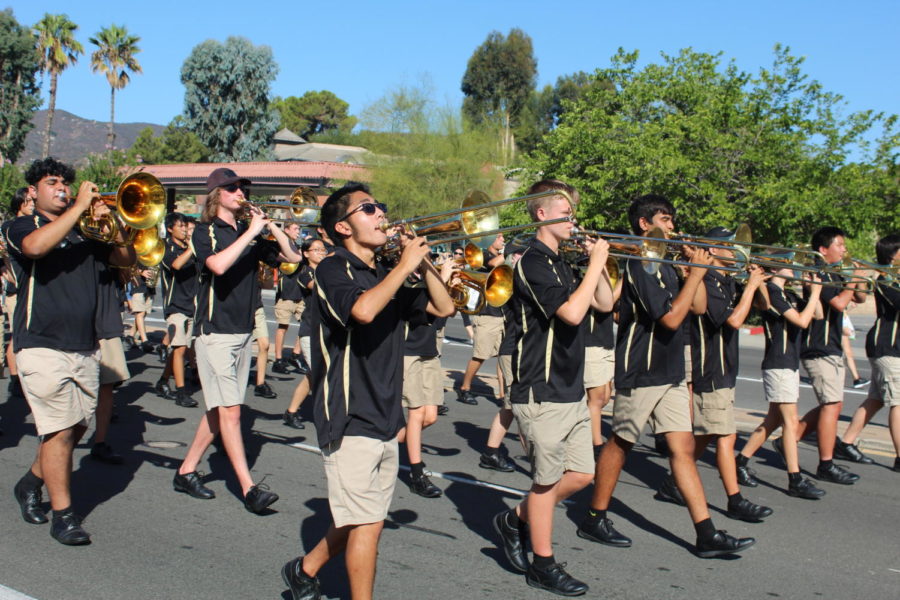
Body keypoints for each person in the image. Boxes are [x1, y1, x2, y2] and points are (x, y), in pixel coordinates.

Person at [281, 182, 453, 600]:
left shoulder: (383, 273)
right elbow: (362, 310)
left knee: (361, 517)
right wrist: (402, 267)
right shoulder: (332, 268)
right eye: (369, 209)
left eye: (381, 207)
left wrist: (424, 262)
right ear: (342, 226)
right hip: (348, 411)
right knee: (368, 525)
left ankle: (304, 570)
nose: (381, 215)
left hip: (385, 412)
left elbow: (444, 308)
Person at [579, 194, 755, 559]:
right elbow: (671, 318)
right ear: (645, 224)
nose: (673, 226)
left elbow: (700, 307)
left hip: (671, 367)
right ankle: (595, 516)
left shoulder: (668, 264)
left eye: (673, 219)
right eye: (666, 219)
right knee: (621, 443)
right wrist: (696, 275)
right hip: (642, 367)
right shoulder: (640, 263)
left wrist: (694, 272)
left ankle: (705, 533)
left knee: (683, 450)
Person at [493, 179, 612, 596]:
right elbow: (572, 314)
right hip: (540, 387)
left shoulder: (562, 261)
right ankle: (543, 564)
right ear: (541, 214)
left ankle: (513, 519)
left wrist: (594, 262)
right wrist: (595, 263)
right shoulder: (532, 262)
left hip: (570, 384)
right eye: (565, 209)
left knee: (580, 474)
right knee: (545, 481)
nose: (572, 218)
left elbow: (604, 304)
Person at [9, 157, 134, 545]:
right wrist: (80, 207)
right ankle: (64, 516)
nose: (62, 188)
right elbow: (34, 248)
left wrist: (116, 230)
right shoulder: (22, 225)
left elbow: (126, 262)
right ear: (33, 191)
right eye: (52, 182)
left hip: (84, 344)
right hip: (41, 343)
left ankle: (31, 481)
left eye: (66, 182)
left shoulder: (87, 233)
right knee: (60, 429)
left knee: (74, 428)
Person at [172, 167, 300, 513]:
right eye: (232, 189)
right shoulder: (204, 232)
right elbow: (217, 265)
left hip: (242, 332)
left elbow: (293, 257)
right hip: (214, 334)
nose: (240, 193)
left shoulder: (250, 231)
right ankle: (249, 489)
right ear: (217, 196)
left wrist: (270, 225)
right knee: (231, 413)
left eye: (242, 187)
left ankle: (185, 471)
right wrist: (251, 233)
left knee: (219, 409)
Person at [672, 227, 772, 523]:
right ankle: (735, 499)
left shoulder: (728, 280)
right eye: (730, 247)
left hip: (726, 368)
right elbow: (734, 320)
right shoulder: (710, 281)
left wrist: (759, 281)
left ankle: (673, 480)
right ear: (713, 251)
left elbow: (764, 308)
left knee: (706, 433)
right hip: (711, 368)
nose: (737, 251)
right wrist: (751, 286)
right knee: (726, 436)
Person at [735, 260, 826, 498]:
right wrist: (815, 293)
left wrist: (812, 289)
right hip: (779, 363)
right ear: (774, 269)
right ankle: (794, 479)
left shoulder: (789, 293)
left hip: (789, 364)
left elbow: (817, 314)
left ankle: (740, 461)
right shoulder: (773, 293)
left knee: (773, 420)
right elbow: (801, 321)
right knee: (791, 421)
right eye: (787, 262)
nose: (794, 266)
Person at [794, 227, 868, 484]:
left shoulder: (836, 272)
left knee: (832, 404)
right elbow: (837, 303)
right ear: (824, 249)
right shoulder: (818, 273)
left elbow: (859, 296)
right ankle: (826, 464)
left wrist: (856, 278)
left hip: (833, 346)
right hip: (819, 346)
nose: (845, 250)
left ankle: (789, 440)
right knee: (831, 405)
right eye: (840, 245)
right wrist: (852, 277)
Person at [834, 234, 900, 470]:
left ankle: (846, 442)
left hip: (892, 347)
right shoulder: (886, 281)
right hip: (886, 345)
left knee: (876, 399)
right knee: (898, 402)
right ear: (893, 255)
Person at [397, 261, 455, 498]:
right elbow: (435, 308)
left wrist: (448, 284)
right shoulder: (408, 287)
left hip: (429, 353)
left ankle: (383, 442)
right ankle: (417, 474)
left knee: (430, 417)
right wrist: (442, 278)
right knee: (417, 413)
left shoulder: (431, 286)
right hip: (408, 354)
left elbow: (445, 315)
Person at [478, 243, 526, 473]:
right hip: (513, 348)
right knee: (518, 405)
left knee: (513, 406)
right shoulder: (507, 281)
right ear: (515, 256)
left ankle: (491, 451)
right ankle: (535, 461)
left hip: (524, 348)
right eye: (522, 254)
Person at [282, 238, 328, 429]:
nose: (321, 252)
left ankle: (291, 411)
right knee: (321, 375)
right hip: (310, 330)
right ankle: (326, 417)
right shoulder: (304, 274)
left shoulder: (327, 271)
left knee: (313, 374)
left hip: (327, 330)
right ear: (306, 253)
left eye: (323, 250)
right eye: (316, 250)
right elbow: (317, 288)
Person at [456, 234, 506, 405]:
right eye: (500, 238)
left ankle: (503, 393)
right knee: (480, 356)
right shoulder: (483, 256)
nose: (503, 240)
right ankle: (465, 388)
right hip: (487, 313)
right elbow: (492, 265)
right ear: (491, 240)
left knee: (503, 355)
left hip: (502, 313)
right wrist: (510, 251)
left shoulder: (501, 258)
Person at [90, 260, 132, 465]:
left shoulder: (108, 247)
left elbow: (126, 273)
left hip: (106, 319)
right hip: (73, 320)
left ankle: (100, 442)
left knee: (107, 384)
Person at [156, 212, 199, 408]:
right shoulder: (165, 247)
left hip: (191, 305)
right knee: (180, 348)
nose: (184, 230)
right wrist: (192, 247)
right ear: (171, 228)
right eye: (181, 226)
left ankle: (163, 381)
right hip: (175, 306)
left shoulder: (187, 248)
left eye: (186, 227)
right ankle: (182, 392)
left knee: (179, 348)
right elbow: (176, 264)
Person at [2, 187, 35, 398]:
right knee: (17, 334)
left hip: (29, 287)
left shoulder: (35, 225)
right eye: (28, 201)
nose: (32, 204)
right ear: (19, 204)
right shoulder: (9, 226)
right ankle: (14, 379)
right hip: (16, 289)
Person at [272, 222, 308, 375]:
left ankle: (295, 354)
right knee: (283, 327)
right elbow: (287, 265)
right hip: (286, 293)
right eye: (295, 228)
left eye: (299, 229)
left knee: (306, 325)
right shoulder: (282, 245)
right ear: (286, 230)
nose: (298, 232)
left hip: (300, 292)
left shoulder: (297, 245)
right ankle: (278, 360)